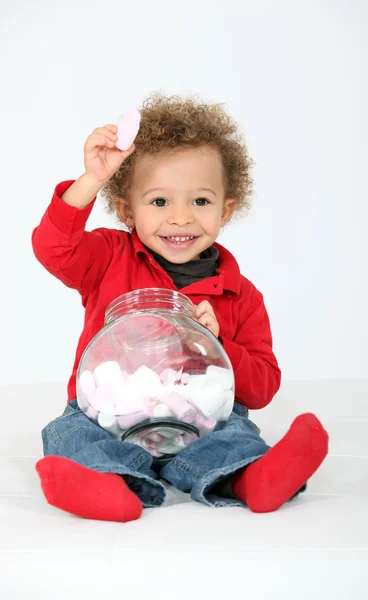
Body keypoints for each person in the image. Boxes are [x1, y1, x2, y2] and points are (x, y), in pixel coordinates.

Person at [32, 94, 328, 522]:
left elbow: (262, 387)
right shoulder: (108, 258)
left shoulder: (241, 294)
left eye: (201, 202)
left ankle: (254, 478)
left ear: (226, 210)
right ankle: (103, 486)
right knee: (70, 432)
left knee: (235, 433)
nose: (181, 218)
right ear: (125, 210)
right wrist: (91, 179)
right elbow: (52, 247)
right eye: (159, 202)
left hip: (201, 421)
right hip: (106, 412)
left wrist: (219, 343)